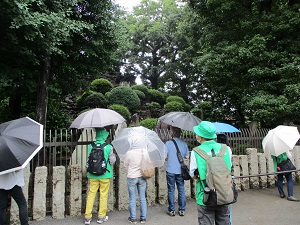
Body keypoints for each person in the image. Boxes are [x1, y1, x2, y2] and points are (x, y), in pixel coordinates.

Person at [190, 121, 231, 225]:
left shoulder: (196, 152)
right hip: (224, 194)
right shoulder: (226, 149)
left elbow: (192, 175)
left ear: (200, 136)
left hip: (205, 196)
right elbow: (229, 168)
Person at [84, 128, 116, 225]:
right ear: (104, 136)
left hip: (92, 174)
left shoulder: (91, 145)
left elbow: (89, 159)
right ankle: (101, 217)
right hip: (105, 174)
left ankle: (87, 217)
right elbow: (113, 161)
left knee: (91, 194)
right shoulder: (108, 146)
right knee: (103, 195)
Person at [165, 126, 189, 217]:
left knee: (171, 190)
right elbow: (187, 157)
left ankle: (171, 210)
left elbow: (165, 156)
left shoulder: (167, 143)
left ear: (172, 134)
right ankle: (182, 209)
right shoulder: (184, 143)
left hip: (170, 169)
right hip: (180, 170)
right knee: (181, 189)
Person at [124, 137, 148, 224]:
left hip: (132, 177)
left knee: (132, 198)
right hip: (142, 176)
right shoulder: (144, 151)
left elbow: (125, 164)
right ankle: (143, 218)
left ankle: (133, 218)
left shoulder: (129, 153)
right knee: (142, 198)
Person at [217, 133, 233, 225]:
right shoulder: (228, 149)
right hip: (227, 177)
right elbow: (230, 165)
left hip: (219, 177)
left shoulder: (217, 150)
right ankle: (229, 222)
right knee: (227, 203)